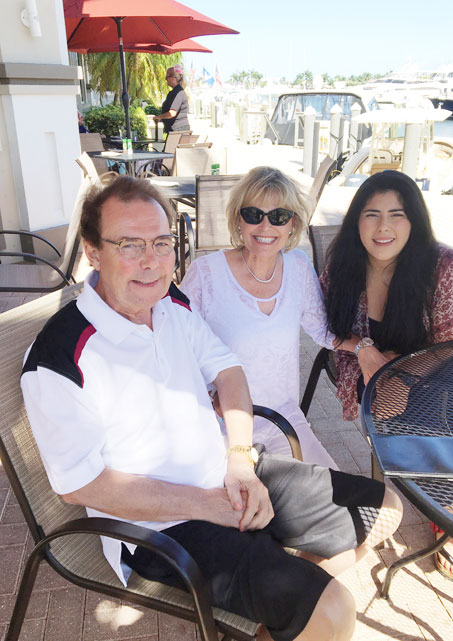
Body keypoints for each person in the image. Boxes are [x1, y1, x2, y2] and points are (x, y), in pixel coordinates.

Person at [21, 176, 402, 641]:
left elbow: (229, 372)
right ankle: (300, 605)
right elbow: (80, 486)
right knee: (336, 611)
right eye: (129, 244)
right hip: (162, 526)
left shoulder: (171, 304)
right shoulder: (60, 357)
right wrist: (208, 505)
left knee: (383, 508)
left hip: (230, 477)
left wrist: (239, 465)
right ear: (93, 251)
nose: (151, 261)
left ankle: (281, 611)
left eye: (161, 243)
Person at [320, 169, 453, 583]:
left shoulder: (442, 266)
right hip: (364, 368)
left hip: (442, 367)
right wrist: (366, 354)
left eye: (397, 214)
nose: (383, 227)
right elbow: (322, 326)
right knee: (404, 420)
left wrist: (400, 375)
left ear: (414, 220)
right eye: (371, 214)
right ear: (356, 219)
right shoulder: (342, 263)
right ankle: (448, 509)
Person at [181, 166, 338, 469]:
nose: (265, 226)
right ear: (238, 219)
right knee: (242, 510)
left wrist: (365, 348)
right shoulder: (206, 274)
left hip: (282, 418)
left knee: (341, 504)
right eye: (253, 214)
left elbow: (322, 330)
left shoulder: (298, 267)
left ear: (293, 224)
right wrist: (209, 393)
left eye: (279, 216)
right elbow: (177, 349)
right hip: (219, 423)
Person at [153, 64, 190, 135]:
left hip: (178, 129)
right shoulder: (175, 92)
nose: (165, 79)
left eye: (167, 77)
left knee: (170, 146)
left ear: (174, 78)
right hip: (176, 129)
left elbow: (172, 113)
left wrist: (160, 117)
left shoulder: (178, 93)